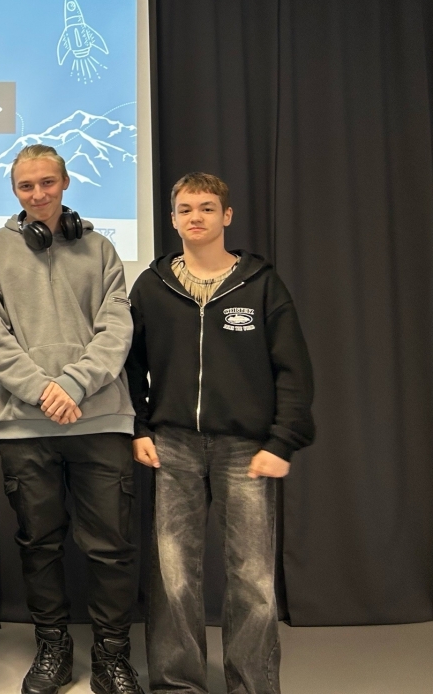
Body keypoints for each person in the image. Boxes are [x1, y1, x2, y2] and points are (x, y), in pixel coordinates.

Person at [126, 172, 315, 694]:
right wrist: (139, 426)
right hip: (173, 446)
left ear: (226, 216)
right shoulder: (151, 287)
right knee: (173, 576)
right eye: (186, 209)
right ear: (172, 219)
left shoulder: (262, 285)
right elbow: (129, 367)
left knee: (252, 578)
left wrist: (281, 441)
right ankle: (177, 684)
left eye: (207, 208)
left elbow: (294, 371)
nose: (197, 217)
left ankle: (252, 685)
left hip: (246, 449)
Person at [0, 143, 143, 694]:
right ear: (14, 191)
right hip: (25, 424)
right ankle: (53, 648)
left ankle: (113, 656)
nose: (38, 194)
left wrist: (71, 386)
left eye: (47, 182)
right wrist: (43, 391)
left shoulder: (101, 249)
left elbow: (117, 328)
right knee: (39, 544)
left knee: (111, 546)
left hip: (101, 419)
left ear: (65, 183)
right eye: (27, 186)